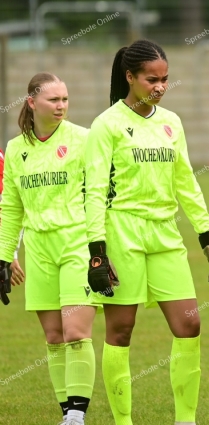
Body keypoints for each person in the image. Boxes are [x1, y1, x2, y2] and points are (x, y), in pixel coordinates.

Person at [84, 40, 209, 425]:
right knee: (121, 329)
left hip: (165, 236)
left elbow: (185, 183)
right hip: (121, 233)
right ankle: (124, 421)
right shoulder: (106, 125)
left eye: (165, 79)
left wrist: (206, 237)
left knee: (189, 323)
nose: (160, 87)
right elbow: (95, 191)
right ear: (130, 77)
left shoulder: (171, 122)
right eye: (152, 80)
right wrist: (97, 252)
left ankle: (185, 420)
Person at [0, 72, 97, 425]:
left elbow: (103, 194)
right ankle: (66, 412)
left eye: (65, 100)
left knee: (75, 332)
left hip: (78, 244)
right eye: (53, 100)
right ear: (32, 102)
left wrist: (102, 247)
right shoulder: (15, 149)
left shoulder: (85, 139)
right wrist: (2, 256)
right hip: (39, 250)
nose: (61, 106)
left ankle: (76, 414)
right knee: (54, 336)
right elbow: (11, 208)